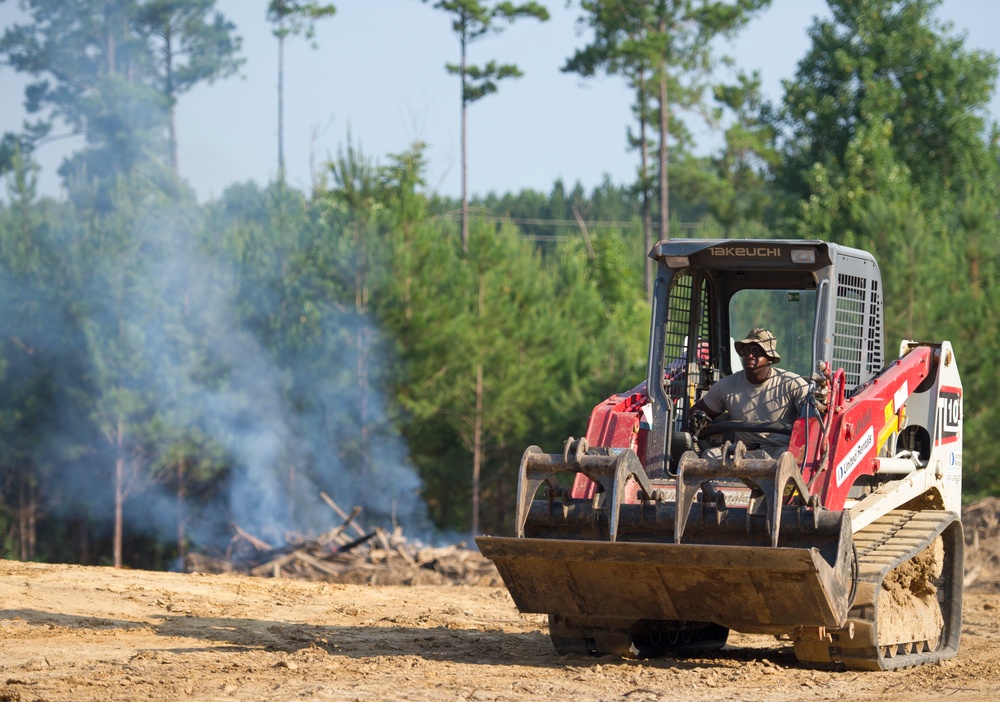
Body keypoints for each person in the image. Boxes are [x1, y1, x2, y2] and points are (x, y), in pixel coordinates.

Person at [689, 328, 810, 458]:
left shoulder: (792, 384)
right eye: (747, 351)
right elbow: (700, 410)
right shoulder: (726, 385)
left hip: (779, 451)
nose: (750, 356)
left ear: (769, 358)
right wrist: (698, 417)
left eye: (756, 352)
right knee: (709, 456)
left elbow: (812, 417)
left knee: (787, 459)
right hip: (742, 452)